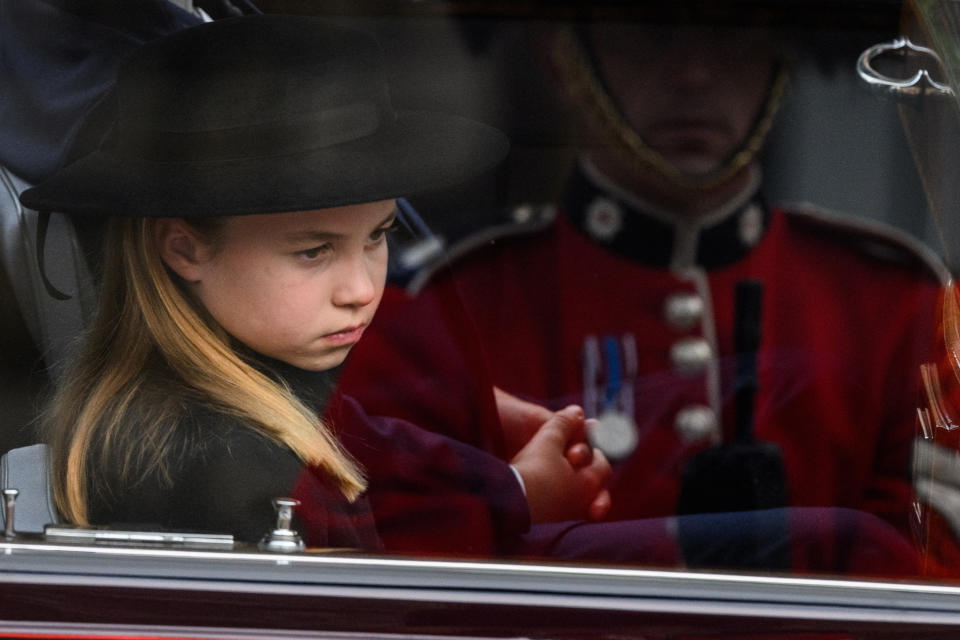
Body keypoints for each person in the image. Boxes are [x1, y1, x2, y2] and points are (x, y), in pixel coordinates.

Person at [335, 15, 947, 561]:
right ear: (564, 60)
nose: (696, 75)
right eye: (652, 33)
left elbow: (925, 578)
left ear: (778, 61)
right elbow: (408, 560)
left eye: (734, 35)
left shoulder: (897, 304)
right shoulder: (444, 303)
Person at [19, 14, 613, 552]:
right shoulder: (227, 466)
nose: (359, 289)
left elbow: (370, 440)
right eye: (313, 251)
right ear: (183, 248)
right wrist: (518, 493)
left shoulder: (243, 384)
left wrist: (507, 477)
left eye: (378, 236)